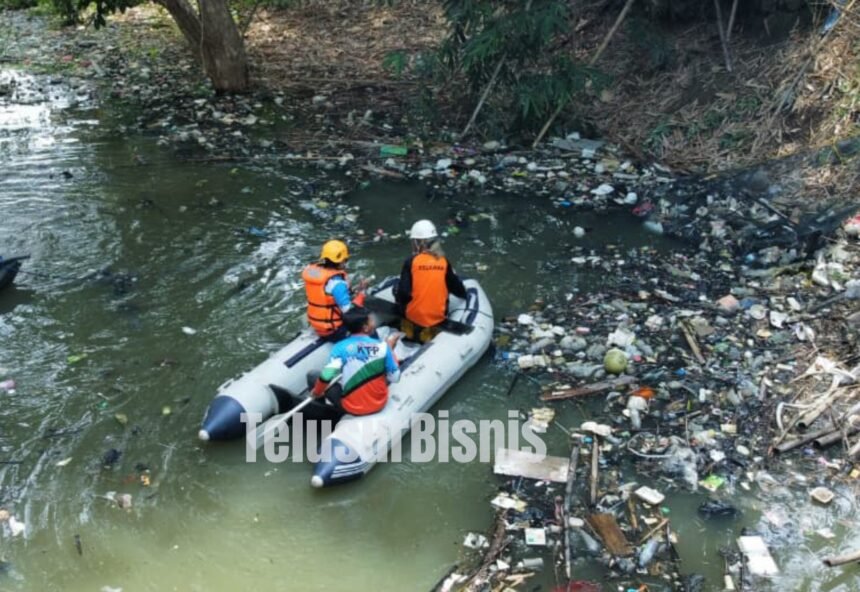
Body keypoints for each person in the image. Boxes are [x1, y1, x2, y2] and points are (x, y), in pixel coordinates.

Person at [309, 307, 401, 419]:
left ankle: (321, 413)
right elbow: (395, 378)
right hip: (379, 404)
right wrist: (391, 351)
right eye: (371, 320)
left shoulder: (339, 348)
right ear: (365, 328)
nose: (374, 322)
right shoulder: (383, 347)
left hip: (352, 407)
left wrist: (317, 392)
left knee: (313, 376)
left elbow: (326, 375)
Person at [395, 219, 467, 343]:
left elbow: (404, 294)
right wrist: (466, 294)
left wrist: (398, 299)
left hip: (413, 316)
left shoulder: (411, 261)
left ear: (419, 243)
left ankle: (410, 329)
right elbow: (456, 287)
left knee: (396, 289)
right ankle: (429, 330)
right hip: (438, 318)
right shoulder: (444, 261)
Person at [302, 240, 367, 340]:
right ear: (341, 261)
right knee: (365, 324)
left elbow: (328, 295)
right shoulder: (337, 283)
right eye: (345, 260)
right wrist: (362, 292)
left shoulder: (312, 272)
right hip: (334, 330)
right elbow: (350, 312)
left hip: (316, 325)